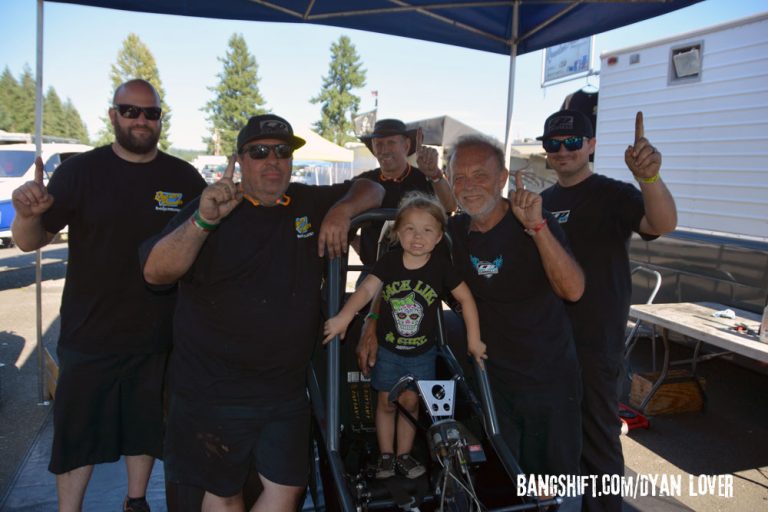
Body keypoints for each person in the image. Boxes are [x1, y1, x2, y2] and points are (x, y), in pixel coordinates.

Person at [141, 114, 384, 512]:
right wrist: (203, 222)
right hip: (213, 393)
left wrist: (343, 211)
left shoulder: (306, 201)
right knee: (225, 498)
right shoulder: (212, 206)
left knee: (288, 491)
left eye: (282, 151)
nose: (272, 160)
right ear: (239, 160)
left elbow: (372, 187)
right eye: (259, 152)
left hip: (284, 393)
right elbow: (155, 272)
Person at [10, 79, 206, 512]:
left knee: (144, 430)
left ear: (160, 119)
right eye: (130, 111)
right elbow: (29, 241)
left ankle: (136, 501)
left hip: (158, 334)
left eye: (151, 113)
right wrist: (26, 215)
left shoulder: (183, 177)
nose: (141, 120)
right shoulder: (81, 172)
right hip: (89, 332)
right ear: (113, 115)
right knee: (76, 436)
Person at [358, 134, 586, 485]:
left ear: (502, 178)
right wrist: (372, 322)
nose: (469, 186)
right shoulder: (451, 234)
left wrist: (537, 228)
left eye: (480, 175)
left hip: (546, 376)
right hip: (487, 379)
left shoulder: (533, 221)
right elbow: (395, 271)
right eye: (460, 177)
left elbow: (573, 290)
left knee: (551, 486)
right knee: (502, 482)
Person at [539, 110, 677, 511]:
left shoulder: (613, 193)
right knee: (554, 435)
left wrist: (649, 178)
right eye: (553, 144)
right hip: (547, 342)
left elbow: (662, 223)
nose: (562, 151)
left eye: (572, 142)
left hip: (596, 341)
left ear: (591, 145)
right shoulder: (543, 201)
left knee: (598, 441)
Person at [323, 192, 486, 480]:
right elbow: (366, 289)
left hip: (422, 353)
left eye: (427, 230)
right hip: (389, 351)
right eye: (410, 228)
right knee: (386, 402)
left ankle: (403, 455)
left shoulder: (441, 266)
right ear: (398, 232)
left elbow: (466, 299)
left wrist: (474, 340)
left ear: (438, 237)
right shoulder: (390, 262)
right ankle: (386, 455)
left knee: (410, 403)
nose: (418, 236)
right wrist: (345, 316)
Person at [355, 118, 457, 268]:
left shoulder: (426, 178)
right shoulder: (362, 182)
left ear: (406, 145)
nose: (384, 150)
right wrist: (362, 250)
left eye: (391, 143)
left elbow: (450, 207)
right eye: (378, 144)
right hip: (374, 270)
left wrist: (435, 174)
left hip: (423, 270)